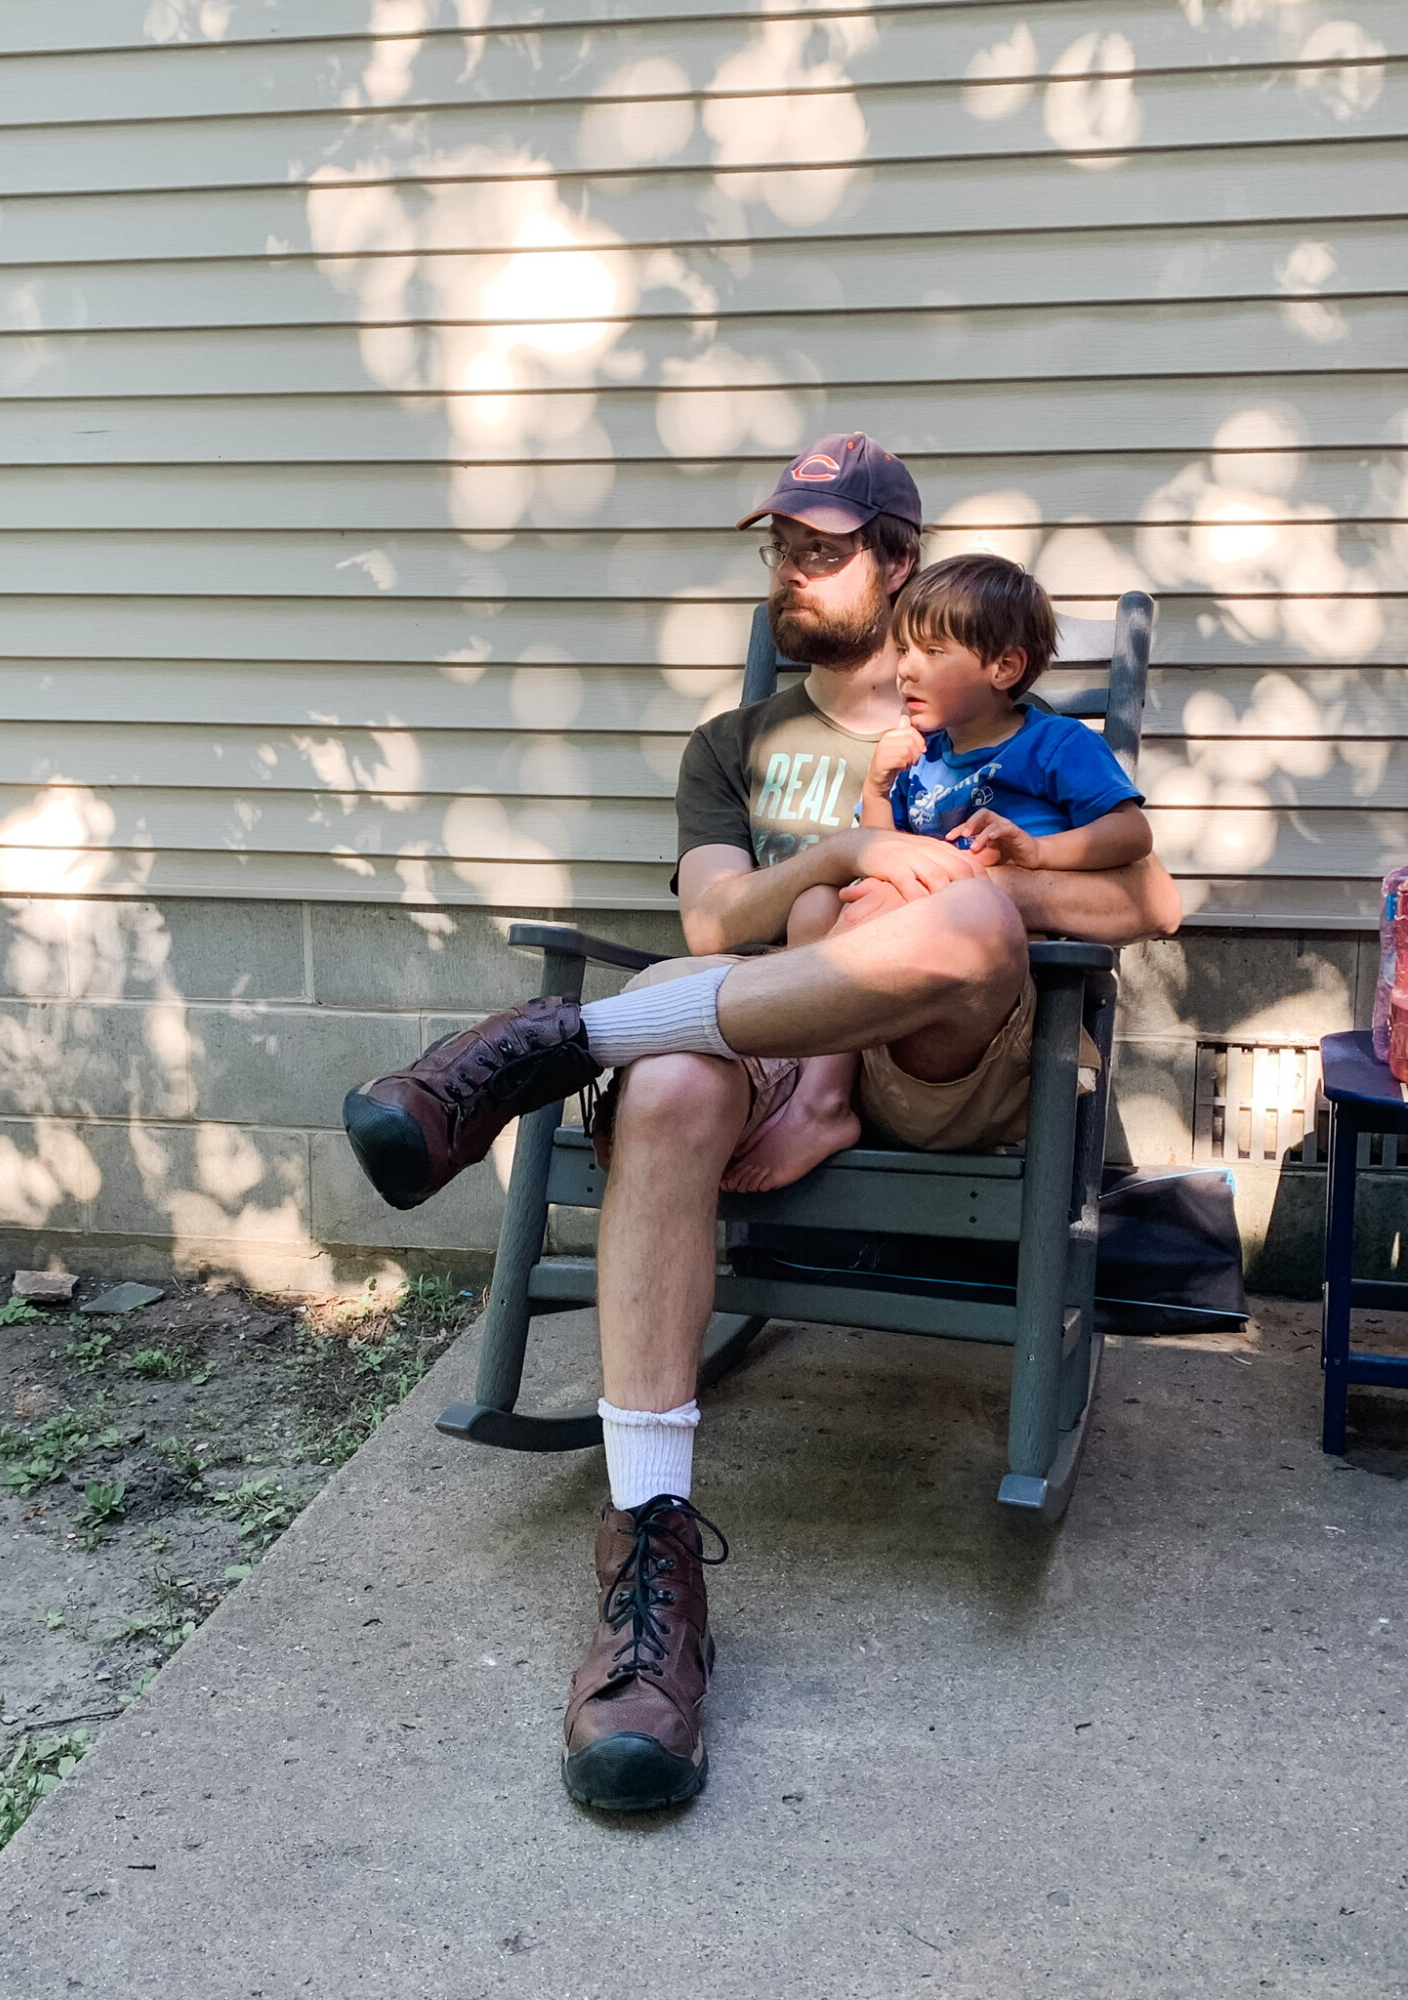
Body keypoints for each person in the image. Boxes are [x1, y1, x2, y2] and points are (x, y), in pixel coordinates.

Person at [343, 432, 1181, 1815]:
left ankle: (560, 1041)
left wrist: (977, 885)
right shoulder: (738, 743)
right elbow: (711, 923)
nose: (789, 567)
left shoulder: (998, 735)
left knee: (962, 916)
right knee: (678, 1075)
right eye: (779, 545)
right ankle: (651, 1568)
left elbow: (1142, 902)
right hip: (760, 1049)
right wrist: (854, 850)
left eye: (824, 546)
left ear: (899, 564)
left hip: (941, 1058)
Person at [724, 549, 1153, 1194]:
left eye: (930, 652)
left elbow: (1131, 832)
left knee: (859, 909)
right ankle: (814, 1090)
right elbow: (879, 850)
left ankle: (817, 1105)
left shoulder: (1057, 745)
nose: (904, 670)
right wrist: (877, 784)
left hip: (1006, 980)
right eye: (903, 651)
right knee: (815, 903)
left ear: (1003, 667)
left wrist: (1037, 854)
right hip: (905, 972)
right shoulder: (922, 759)